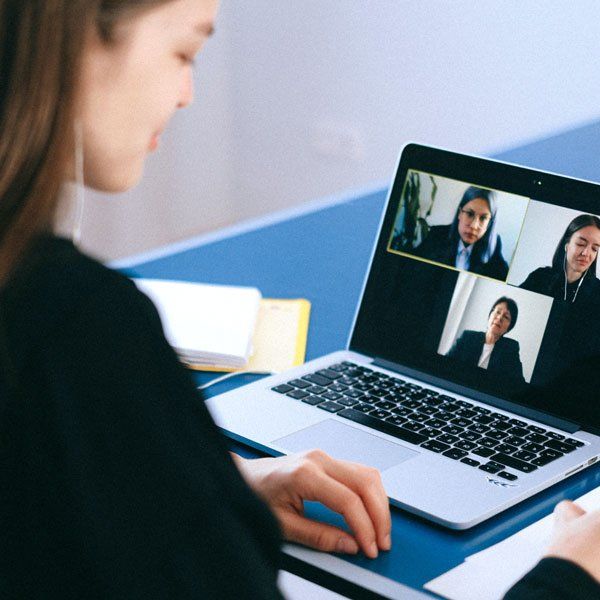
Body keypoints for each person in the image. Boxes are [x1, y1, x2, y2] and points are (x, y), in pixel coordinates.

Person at [0, 1, 598, 598]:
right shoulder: (81, 331)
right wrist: (569, 574)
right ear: (70, 40)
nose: (187, 94)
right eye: (184, 51)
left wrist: (216, 483)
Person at [413, 186, 509, 280]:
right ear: (460, 213)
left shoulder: (494, 246)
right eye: (470, 214)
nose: (474, 226)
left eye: (483, 218)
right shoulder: (437, 234)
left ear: (490, 223)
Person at [519, 214, 600, 304]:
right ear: (566, 244)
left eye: (594, 249)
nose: (586, 253)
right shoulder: (539, 278)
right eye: (580, 244)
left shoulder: (597, 291)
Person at [447, 297, 525, 383]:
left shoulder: (510, 348)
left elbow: (518, 383)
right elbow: (445, 364)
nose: (499, 318)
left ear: (509, 327)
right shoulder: (468, 337)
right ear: (490, 315)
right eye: (497, 312)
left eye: (506, 317)